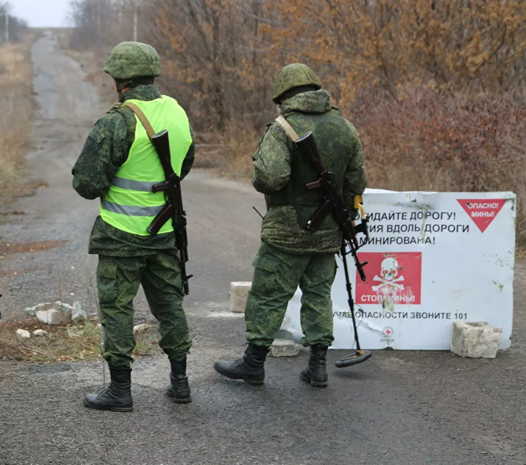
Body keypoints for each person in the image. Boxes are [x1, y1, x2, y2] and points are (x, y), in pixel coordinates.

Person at [213, 63, 367, 388]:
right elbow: (356, 182)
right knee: (318, 295)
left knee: (269, 295)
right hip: (327, 232)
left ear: (283, 96)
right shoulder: (345, 128)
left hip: (286, 233)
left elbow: (271, 178)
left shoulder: (282, 128)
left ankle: (253, 364)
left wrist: (259, 166)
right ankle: (318, 366)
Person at [72, 41, 196, 411]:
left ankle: (120, 391)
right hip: (163, 232)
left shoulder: (117, 121)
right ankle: (180, 382)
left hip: (120, 234)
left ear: (119, 82)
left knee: (117, 309)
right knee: (170, 306)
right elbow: (183, 166)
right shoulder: (176, 113)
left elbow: (86, 184)